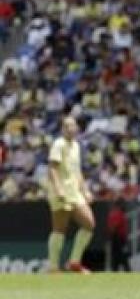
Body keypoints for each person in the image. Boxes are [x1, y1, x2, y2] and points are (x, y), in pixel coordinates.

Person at [46, 116, 95, 274]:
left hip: (75, 192)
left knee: (89, 224)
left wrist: (85, 190)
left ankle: (74, 262)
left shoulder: (76, 146)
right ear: (62, 129)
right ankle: (53, 267)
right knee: (59, 229)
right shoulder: (58, 144)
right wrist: (58, 189)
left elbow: (77, 171)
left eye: (73, 126)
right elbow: (52, 168)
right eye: (67, 126)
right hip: (61, 192)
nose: (71, 128)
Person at [107, 198, 132, 272]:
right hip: (118, 239)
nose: (125, 206)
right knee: (122, 258)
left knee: (117, 259)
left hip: (116, 238)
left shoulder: (113, 213)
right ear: (120, 204)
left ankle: (116, 274)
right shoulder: (118, 213)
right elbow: (114, 226)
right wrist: (114, 236)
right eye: (124, 204)